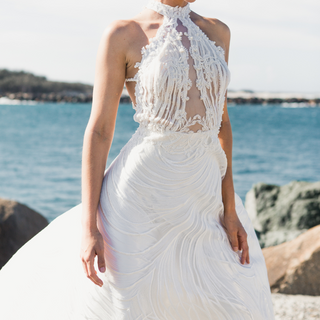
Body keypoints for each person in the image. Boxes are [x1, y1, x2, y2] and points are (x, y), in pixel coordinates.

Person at [0, 0, 275, 319]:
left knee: (225, 297)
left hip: (205, 192)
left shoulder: (218, 31)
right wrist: (88, 226)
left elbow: (221, 123)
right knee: (134, 300)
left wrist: (229, 208)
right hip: (142, 191)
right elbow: (100, 131)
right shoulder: (122, 34)